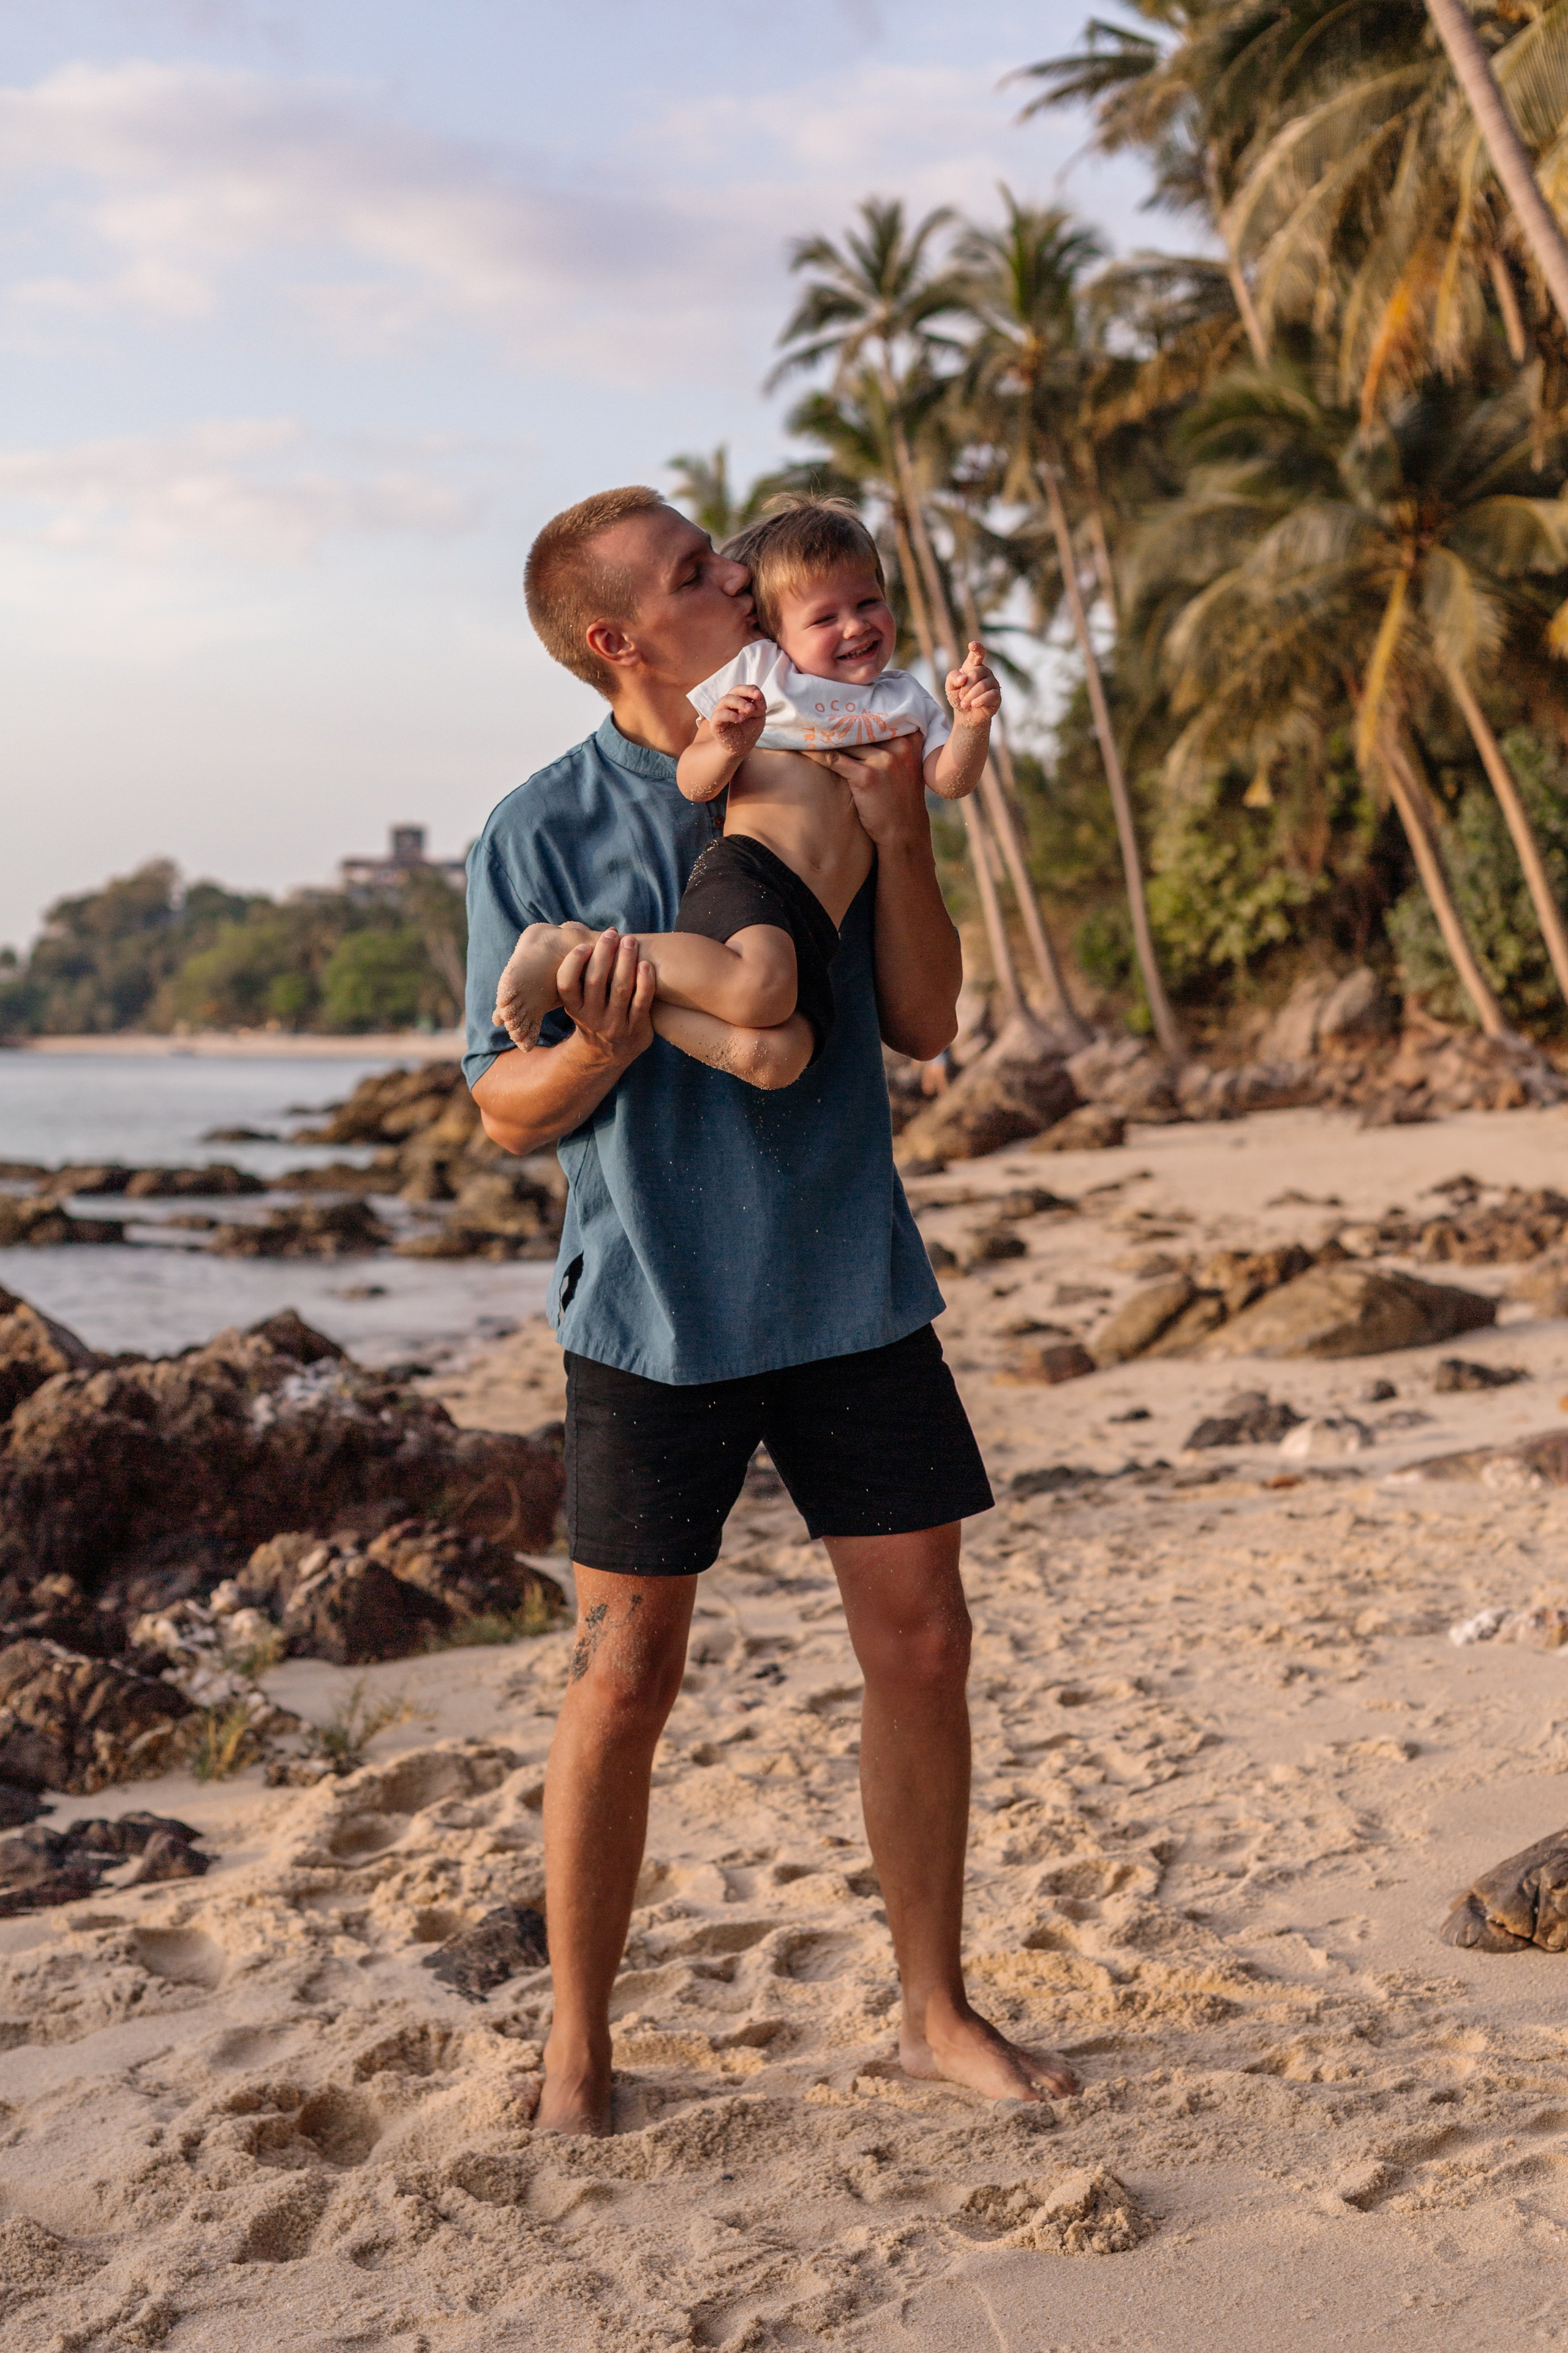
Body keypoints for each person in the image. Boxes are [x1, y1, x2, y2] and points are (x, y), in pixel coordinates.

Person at [466, 482, 1078, 2136]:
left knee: (927, 1642)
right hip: (651, 1311)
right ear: (617, 638)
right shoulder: (533, 830)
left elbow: (928, 1018)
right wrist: (595, 1036)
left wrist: (902, 830)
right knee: (622, 1677)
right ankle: (578, 2053)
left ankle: (932, 2011)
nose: (731, 576)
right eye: (692, 573)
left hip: (846, 1279)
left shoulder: (831, 747)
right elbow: (502, 1108)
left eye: (722, 557)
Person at [490, 499, 999, 1083]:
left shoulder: (903, 703)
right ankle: (572, 950)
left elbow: (952, 779)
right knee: (759, 987)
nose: (736, 576)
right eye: (693, 575)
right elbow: (694, 781)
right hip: (756, 873)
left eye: (868, 603)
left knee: (772, 1058)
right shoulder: (762, 678)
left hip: (816, 925)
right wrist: (730, 743)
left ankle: (617, 982)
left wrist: (967, 731)